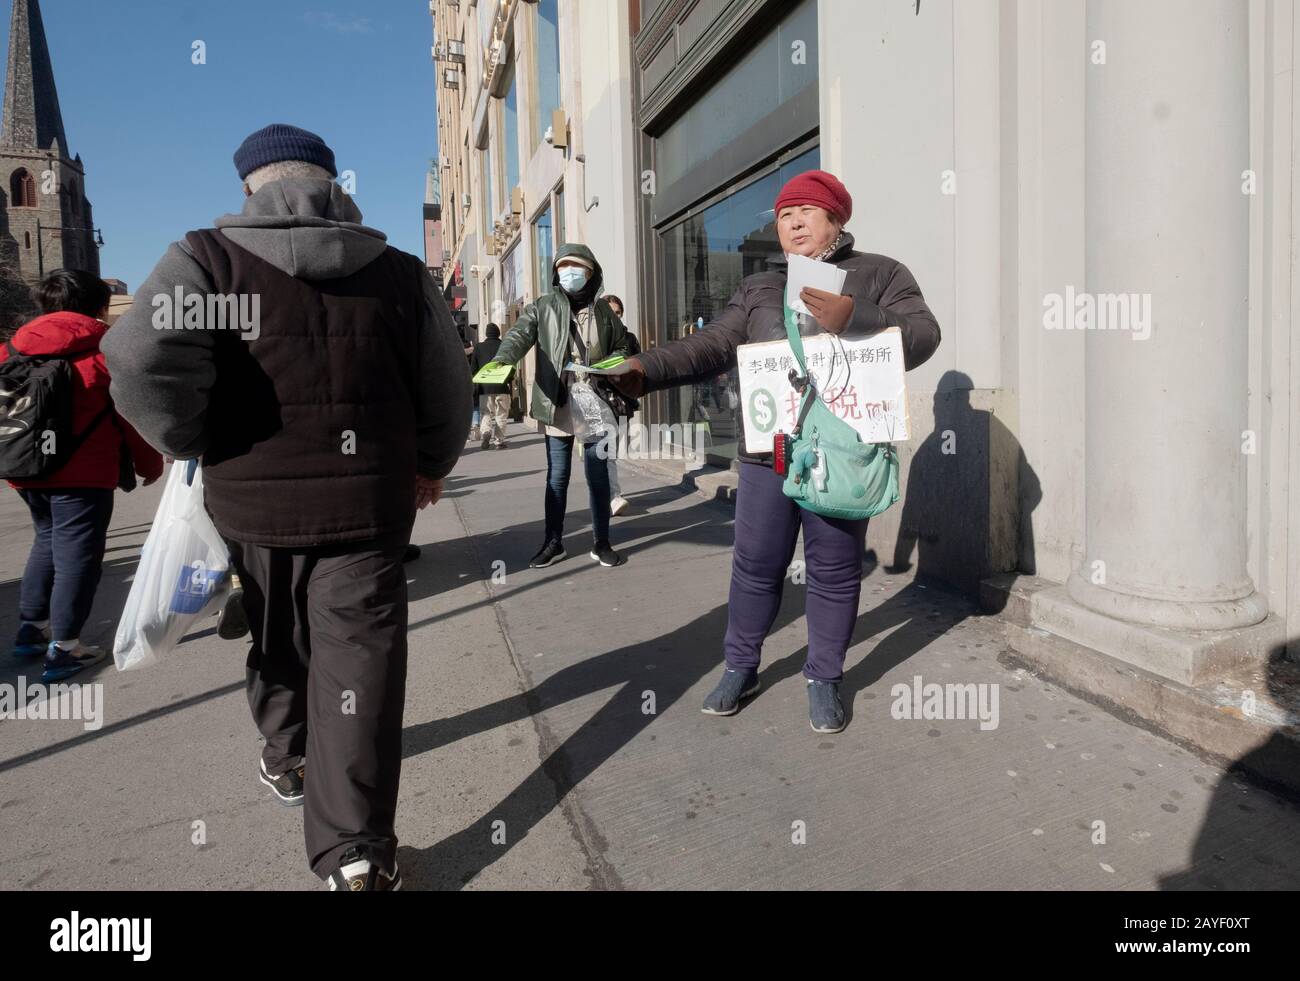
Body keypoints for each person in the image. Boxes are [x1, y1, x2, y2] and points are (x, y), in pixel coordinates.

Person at [102, 124, 471, 890]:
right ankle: (355, 851)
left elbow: (136, 357)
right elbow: (448, 385)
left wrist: (187, 432)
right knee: (359, 664)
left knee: (275, 635)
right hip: (370, 507)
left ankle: (288, 753)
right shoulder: (399, 273)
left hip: (249, 502)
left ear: (250, 187)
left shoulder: (210, 261)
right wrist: (432, 463)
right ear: (336, 185)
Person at [608, 170, 941, 734]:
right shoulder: (760, 286)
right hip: (769, 452)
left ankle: (824, 676)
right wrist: (646, 368)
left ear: (836, 219)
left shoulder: (881, 273)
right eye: (785, 215)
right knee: (755, 566)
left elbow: (924, 335)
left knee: (834, 571)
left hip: (839, 452)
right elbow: (710, 343)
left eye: (807, 211)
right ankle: (741, 666)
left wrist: (855, 316)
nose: (793, 222)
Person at [4, 270, 164, 681]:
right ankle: (66, 648)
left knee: (47, 540)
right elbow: (130, 417)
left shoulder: (12, 350)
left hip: (25, 467)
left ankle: (32, 628)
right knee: (79, 556)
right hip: (83, 471)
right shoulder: (104, 353)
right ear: (101, 307)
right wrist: (150, 464)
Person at [484, 245, 633, 569]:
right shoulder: (543, 307)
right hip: (558, 401)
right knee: (558, 476)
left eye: (576, 267)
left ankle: (601, 542)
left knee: (598, 477)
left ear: (591, 273)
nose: (569, 272)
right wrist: (503, 359)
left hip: (593, 401)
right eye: (563, 266)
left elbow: (625, 342)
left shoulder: (602, 311)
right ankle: (554, 542)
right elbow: (519, 336)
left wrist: (612, 362)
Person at [602, 294, 637, 516]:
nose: (615, 317)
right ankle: (613, 497)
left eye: (618, 313)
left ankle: (604, 493)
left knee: (609, 452)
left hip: (621, 402)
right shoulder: (594, 340)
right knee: (607, 452)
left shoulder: (629, 338)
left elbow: (638, 365)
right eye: (610, 313)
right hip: (598, 400)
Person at [470, 323, 510, 449]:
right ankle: (498, 441)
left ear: (486, 334)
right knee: (501, 413)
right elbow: (510, 365)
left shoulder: (479, 347)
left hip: (484, 387)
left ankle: (486, 432)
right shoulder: (504, 345)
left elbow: (473, 369)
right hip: (501, 386)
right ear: (498, 333)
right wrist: (509, 379)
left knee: (486, 413)